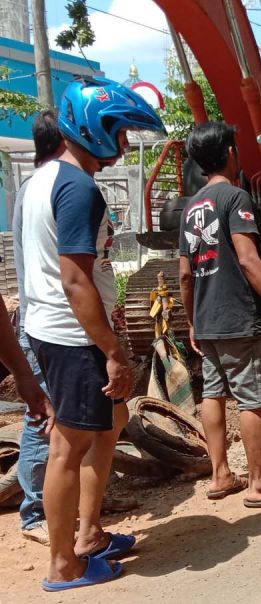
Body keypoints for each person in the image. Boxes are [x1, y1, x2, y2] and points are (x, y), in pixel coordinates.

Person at [21, 78, 163, 591]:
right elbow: (75, 278)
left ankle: (90, 532)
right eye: (119, 131)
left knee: (112, 420)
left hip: (53, 327)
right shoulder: (77, 187)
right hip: (72, 333)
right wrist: (113, 351)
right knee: (70, 445)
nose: (123, 144)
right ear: (92, 127)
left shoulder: (38, 180)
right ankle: (66, 563)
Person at [178, 121, 261, 509]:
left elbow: (185, 274)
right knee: (251, 399)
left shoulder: (189, 208)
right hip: (235, 315)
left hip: (208, 318)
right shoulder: (235, 198)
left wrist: (193, 321)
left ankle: (220, 475)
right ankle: (260, 485)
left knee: (214, 393)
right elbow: (249, 260)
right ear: (230, 154)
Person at [13, 110, 64, 546]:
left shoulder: (40, 185)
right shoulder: (39, 189)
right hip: (43, 320)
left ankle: (61, 502)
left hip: (48, 319)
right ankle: (33, 512)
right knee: (41, 417)